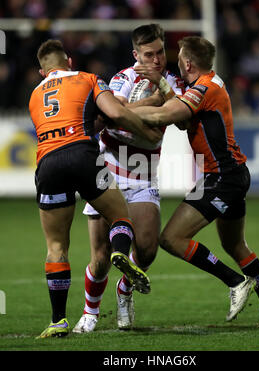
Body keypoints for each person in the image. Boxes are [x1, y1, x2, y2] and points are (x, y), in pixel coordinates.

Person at [132, 36, 259, 326]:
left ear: (187, 62)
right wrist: (162, 84)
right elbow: (182, 120)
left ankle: (234, 282)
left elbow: (165, 115)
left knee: (171, 238)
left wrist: (118, 112)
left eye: (179, 57)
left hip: (222, 178)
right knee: (235, 246)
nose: (175, 61)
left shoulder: (204, 88)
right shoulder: (206, 84)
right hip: (232, 174)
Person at [29, 39, 162, 338]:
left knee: (56, 247)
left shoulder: (34, 95)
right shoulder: (86, 78)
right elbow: (116, 112)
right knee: (119, 216)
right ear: (70, 62)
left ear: (42, 72)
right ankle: (120, 253)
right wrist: (146, 132)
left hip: (47, 163)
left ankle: (58, 320)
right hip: (83, 156)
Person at [73, 24, 187, 333]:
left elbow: (179, 115)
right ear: (136, 54)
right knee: (101, 257)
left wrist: (137, 109)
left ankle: (125, 290)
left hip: (143, 174)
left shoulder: (173, 82)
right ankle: (90, 313)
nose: (157, 60)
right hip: (106, 171)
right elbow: (112, 113)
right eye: (149, 54)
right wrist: (151, 108)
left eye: (161, 52)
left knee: (147, 249)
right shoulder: (122, 79)